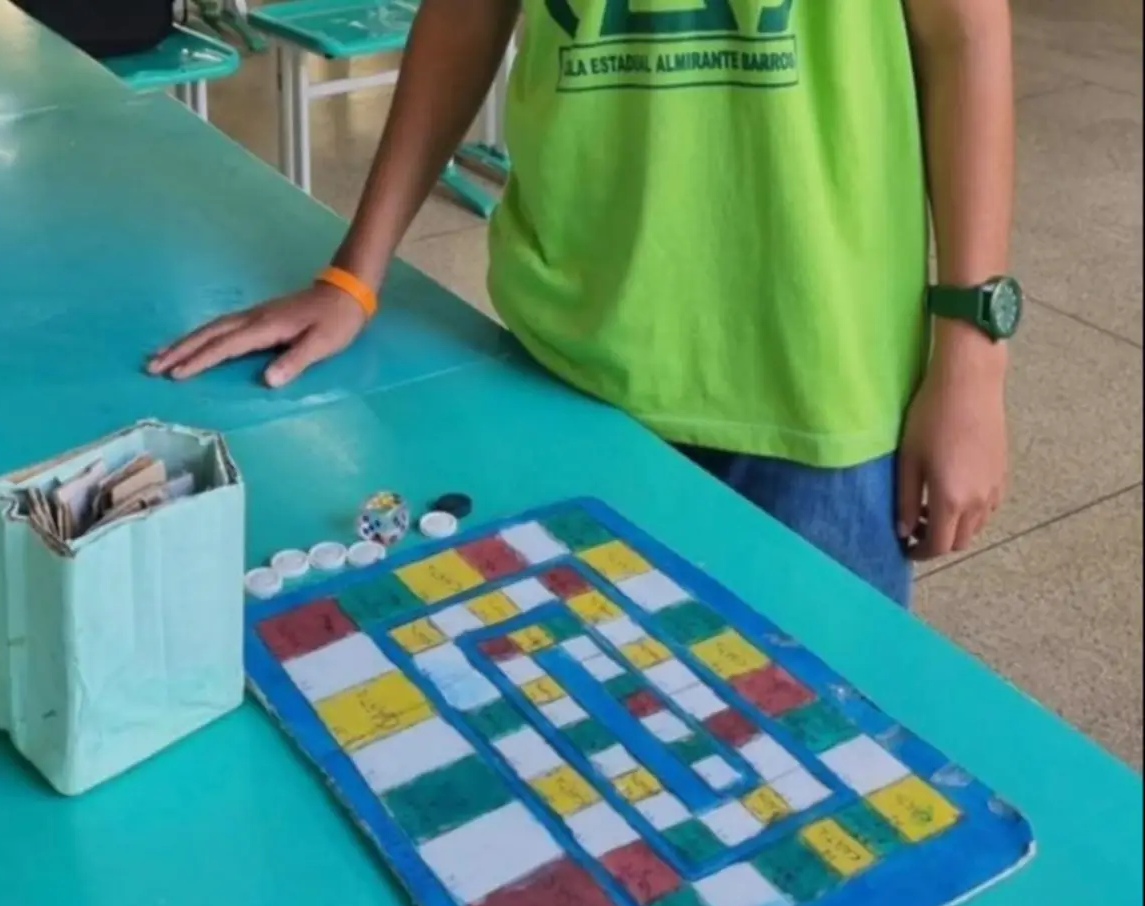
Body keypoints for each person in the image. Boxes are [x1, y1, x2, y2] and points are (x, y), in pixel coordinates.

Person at [148, 0, 1020, 608]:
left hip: (820, 382)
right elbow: (468, 14)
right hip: (571, 365)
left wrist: (973, 356)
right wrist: (352, 276)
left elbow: (966, 31)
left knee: (814, 761)